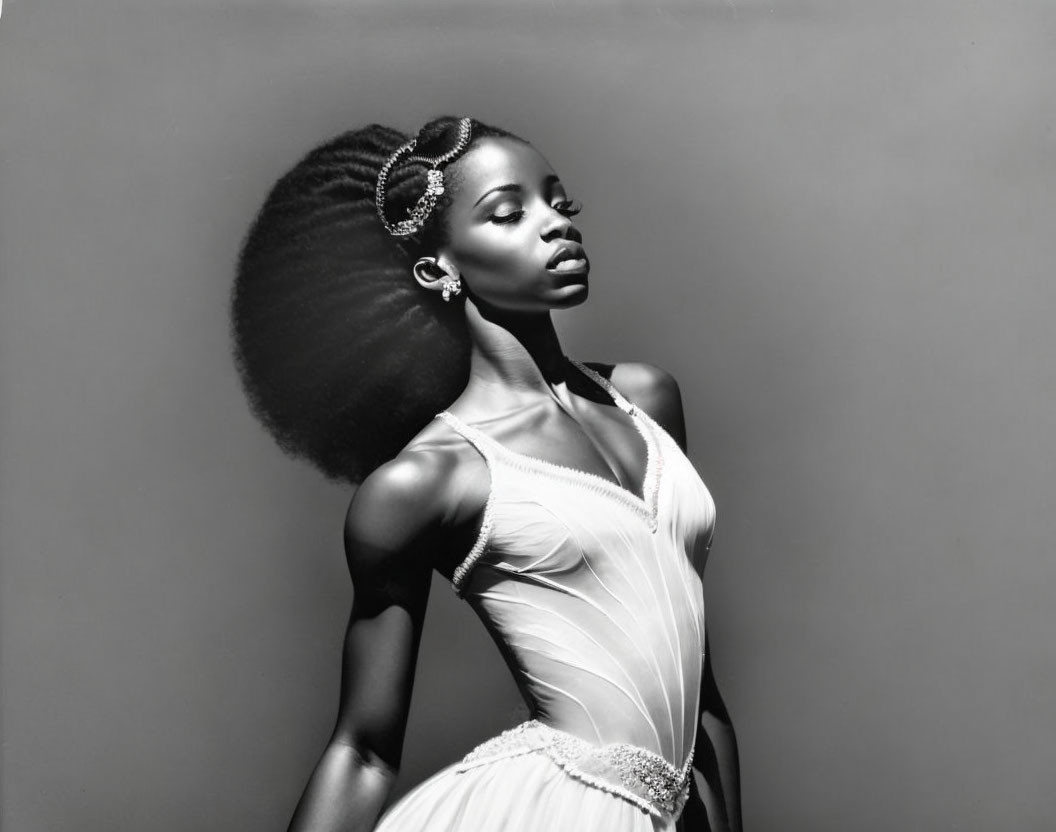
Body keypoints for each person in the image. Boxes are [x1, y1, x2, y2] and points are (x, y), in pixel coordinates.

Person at [231, 116, 741, 831]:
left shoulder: (648, 402)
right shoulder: (427, 482)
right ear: (438, 268)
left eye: (559, 203)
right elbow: (364, 750)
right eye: (509, 212)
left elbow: (700, 692)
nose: (555, 225)